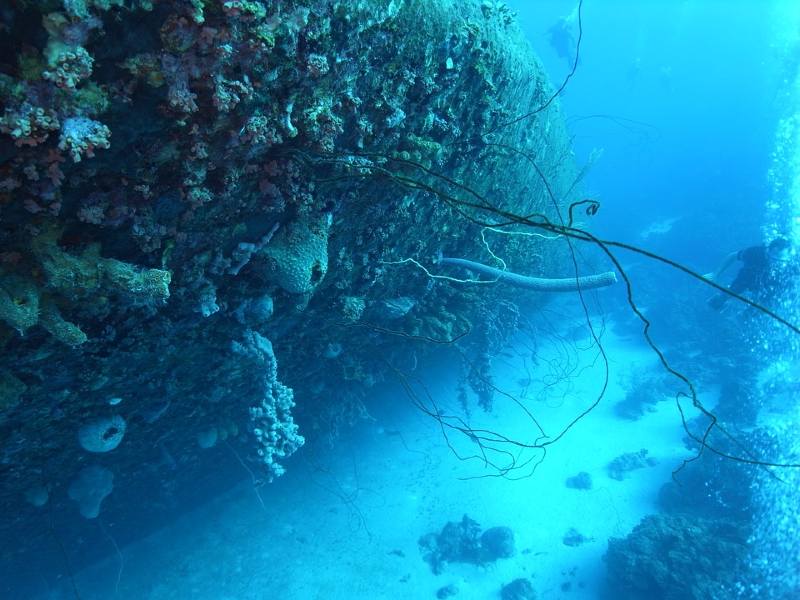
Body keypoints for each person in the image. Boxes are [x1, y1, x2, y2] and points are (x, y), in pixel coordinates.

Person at [706, 237, 791, 310]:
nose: (773, 260)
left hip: (768, 285)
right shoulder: (756, 252)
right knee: (723, 297)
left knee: (758, 309)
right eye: (771, 255)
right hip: (747, 277)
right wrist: (715, 274)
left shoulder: (790, 266)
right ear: (768, 249)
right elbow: (733, 256)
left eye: (778, 258)